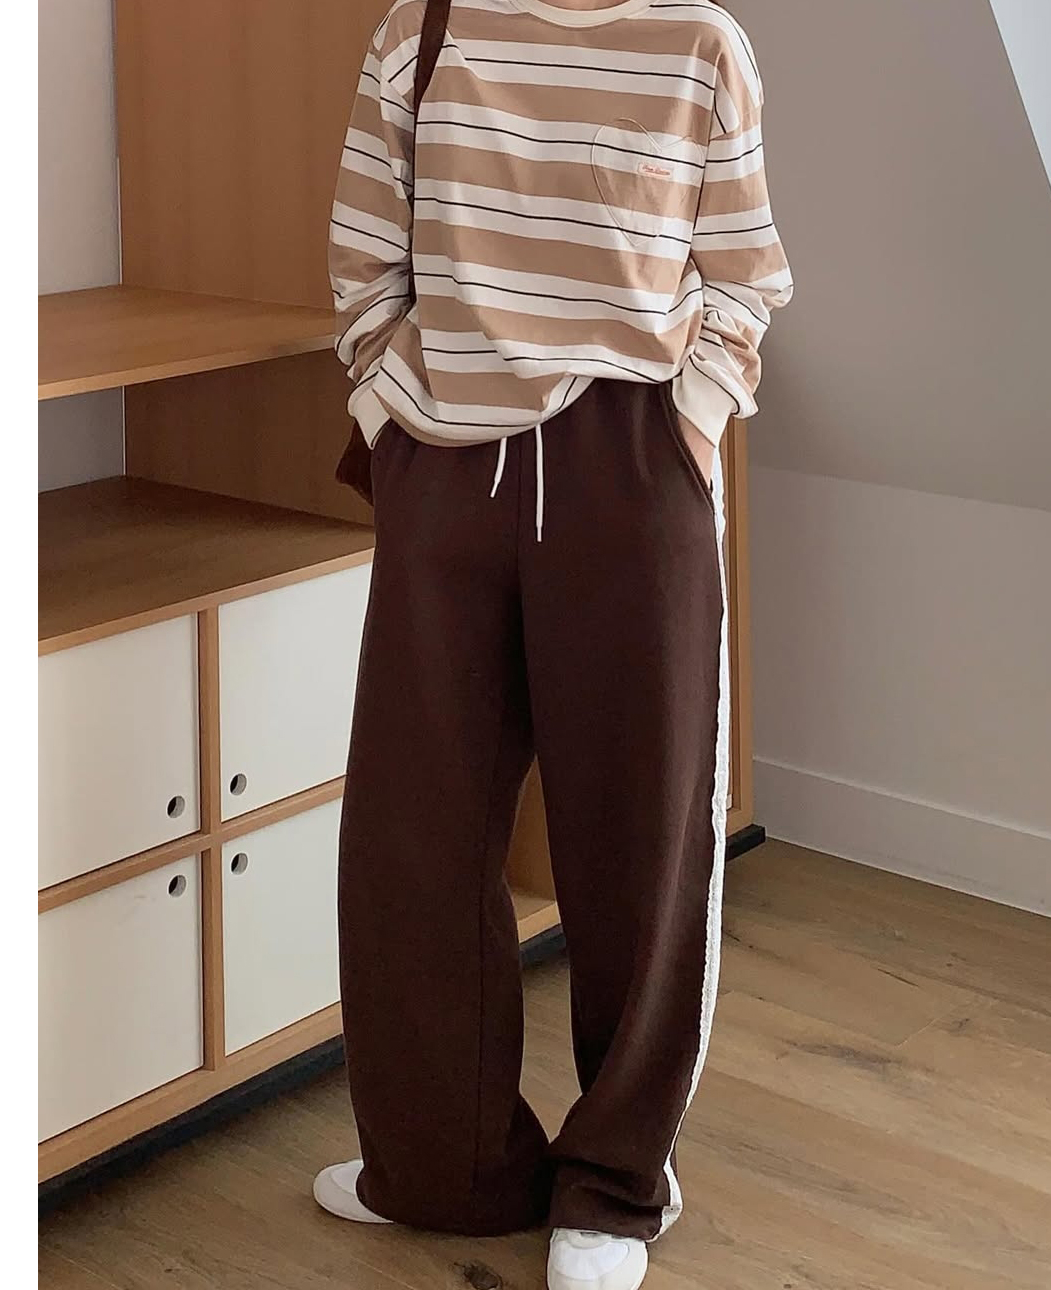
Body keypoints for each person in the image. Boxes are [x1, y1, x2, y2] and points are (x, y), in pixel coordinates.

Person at [315, 1, 791, 1286]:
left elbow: (744, 274)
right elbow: (365, 251)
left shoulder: (699, 41)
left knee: (639, 840)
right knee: (411, 841)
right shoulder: (420, 27)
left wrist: (688, 420)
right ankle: (441, 1167)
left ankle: (614, 1185)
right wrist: (392, 415)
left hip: (629, 465)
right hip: (445, 462)